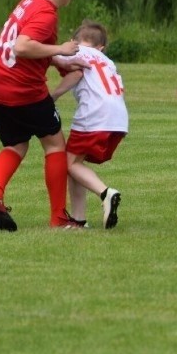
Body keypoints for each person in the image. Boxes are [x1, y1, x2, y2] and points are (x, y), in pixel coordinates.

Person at [0, 0, 89, 231]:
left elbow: (21, 46)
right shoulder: (46, 13)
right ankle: (58, 217)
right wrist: (61, 49)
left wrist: (59, 61)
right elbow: (22, 46)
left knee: (16, 144)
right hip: (21, 89)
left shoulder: (30, 0)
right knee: (54, 143)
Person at [51, 20, 127, 229]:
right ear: (101, 47)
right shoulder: (108, 61)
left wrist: (53, 95)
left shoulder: (77, 52)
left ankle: (105, 193)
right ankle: (78, 219)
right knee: (75, 162)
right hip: (118, 118)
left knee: (69, 163)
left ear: (74, 41)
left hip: (94, 115)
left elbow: (74, 72)